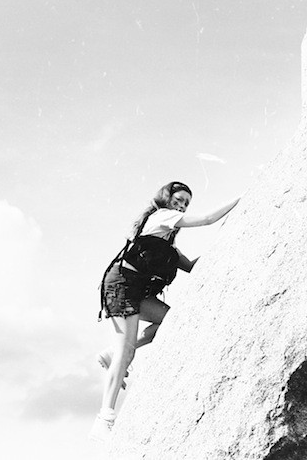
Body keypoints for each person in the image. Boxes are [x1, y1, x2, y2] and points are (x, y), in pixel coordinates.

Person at [89, 181, 239, 443]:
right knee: (127, 354)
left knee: (172, 321)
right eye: (178, 200)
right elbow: (206, 219)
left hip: (137, 291)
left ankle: (112, 354)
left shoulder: (167, 240)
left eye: (185, 203)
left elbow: (192, 266)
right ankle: (104, 420)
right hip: (121, 285)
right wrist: (241, 199)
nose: (181, 206)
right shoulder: (161, 217)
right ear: (166, 199)